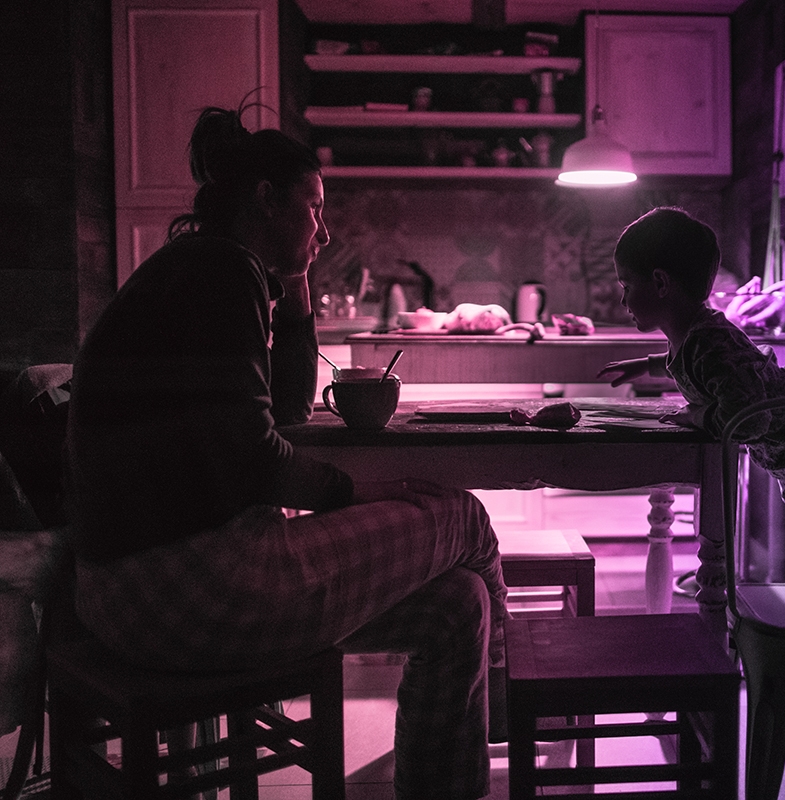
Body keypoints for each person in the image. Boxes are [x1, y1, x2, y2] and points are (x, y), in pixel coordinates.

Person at [65, 103, 507, 800]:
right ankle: (510, 702)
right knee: (463, 518)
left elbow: (289, 412)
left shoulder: (206, 268)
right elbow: (254, 456)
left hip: (134, 590)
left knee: (459, 603)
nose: (325, 231)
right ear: (267, 201)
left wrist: (296, 295)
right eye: (314, 209)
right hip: (187, 586)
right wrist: (357, 494)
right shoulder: (221, 269)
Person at [597, 206, 785, 509]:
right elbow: (693, 366)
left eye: (626, 286)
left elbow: (751, 420)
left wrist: (694, 416)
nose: (622, 300)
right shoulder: (697, 337)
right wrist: (648, 365)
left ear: (660, 283)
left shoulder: (710, 342)